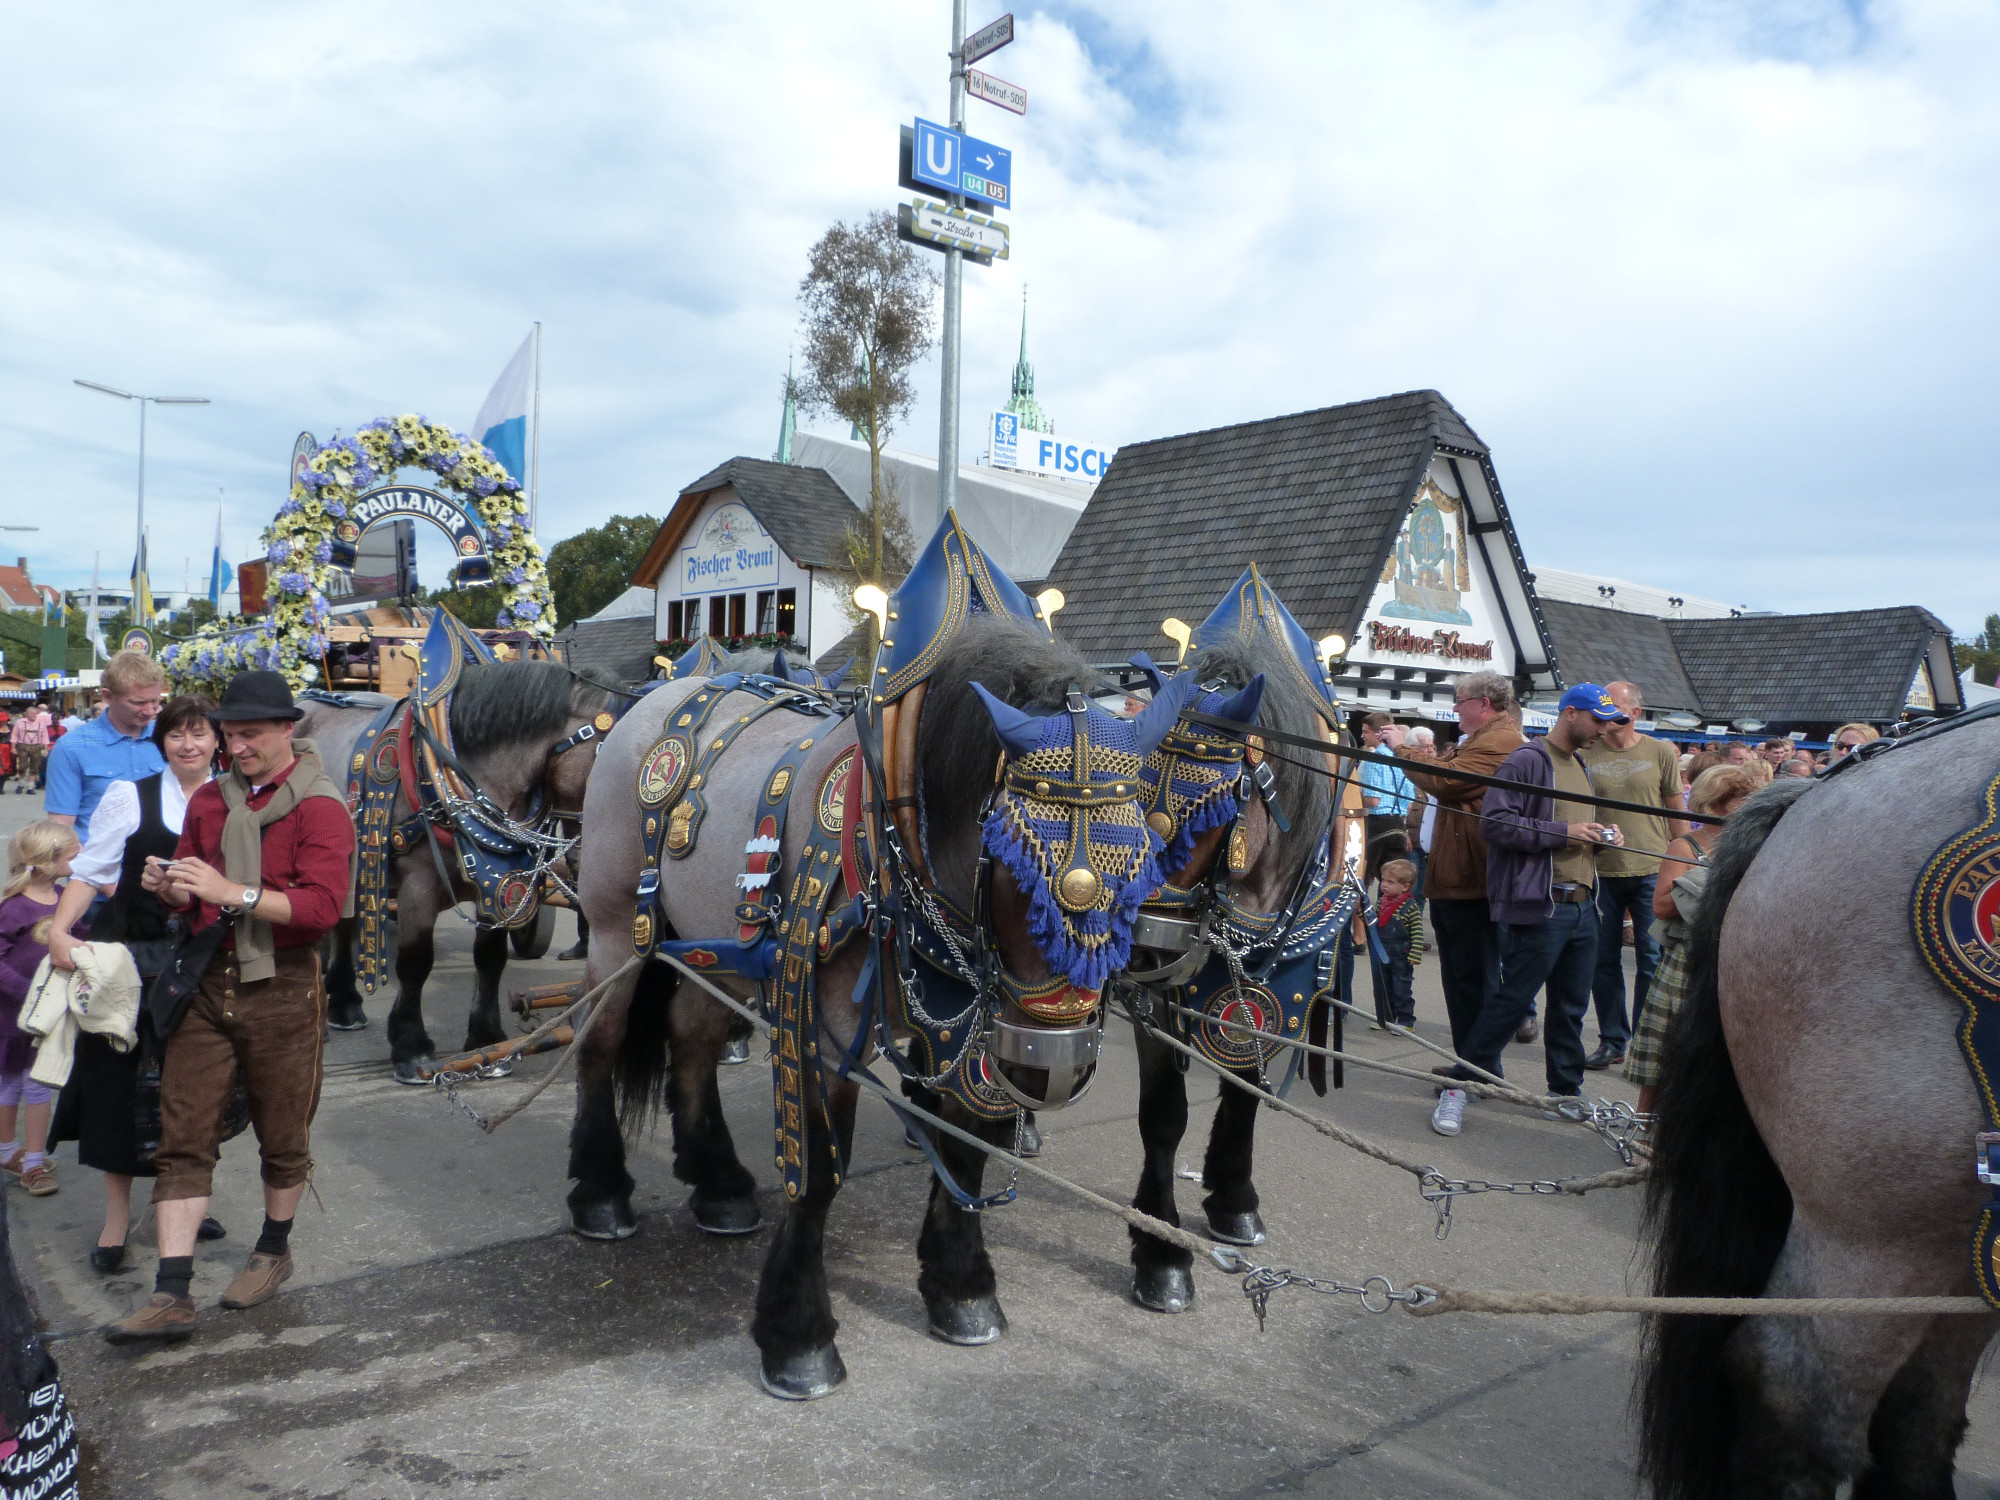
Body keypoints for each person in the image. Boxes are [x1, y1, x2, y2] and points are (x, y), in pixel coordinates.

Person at [105, 671, 355, 1345]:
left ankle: (273, 1249)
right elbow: (192, 885)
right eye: (230, 735)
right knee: (181, 1129)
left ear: (285, 731)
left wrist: (232, 890)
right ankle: (171, 1291)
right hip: (206, 977)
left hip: (282, 982)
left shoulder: (321, 808)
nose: (234, 748)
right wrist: (175, 888)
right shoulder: (212, 802)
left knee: (283, 1130)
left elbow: (321, 910)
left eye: (248, 736)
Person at [49, 696, 227, 1273]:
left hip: (198, 959)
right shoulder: (132, 794)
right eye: (176, 734)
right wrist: (57, 930)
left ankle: (188, 1198)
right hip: (130, 958)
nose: (188, 744)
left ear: (217, 742)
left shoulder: (235, 798)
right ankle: (117, 1218)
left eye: (199, 734)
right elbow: (93, 869)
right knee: (117, 1086)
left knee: (197, 1085)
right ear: (162, 741)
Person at [1434, 684, 1629, 1129]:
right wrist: (1566, 832)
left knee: (1571, 1007)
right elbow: (1496, 825)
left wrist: (1604, 836)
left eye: (1608, 721)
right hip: (1544, 903)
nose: (1603, 730)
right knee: (1512, 1001)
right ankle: (1461, 1088)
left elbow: (1576, 829)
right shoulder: (1527, 760)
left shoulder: (1580, 764)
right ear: (1570, 714)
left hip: (1583, 904)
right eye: (1597, 720)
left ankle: (1565, 1092)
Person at [1403, 672, 1526, 1134]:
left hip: (1473, 880)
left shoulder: (1500, 741)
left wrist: (1403, 749)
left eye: (1460, 701)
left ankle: (1478, 1069)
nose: (1455, 709)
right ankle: (1472, 1064)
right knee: (1462, 979)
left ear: (1486, 704)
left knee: (1474, 978)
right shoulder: (1479, 738)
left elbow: (1446, 782)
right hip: (1456, 876)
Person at [1624, 764, 1759, 1113]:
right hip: (1685, 961)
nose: (1749, 805)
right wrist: (1709, 884)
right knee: (1662, 1054)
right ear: (1715, 804)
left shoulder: (1753, 847)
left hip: (1730, 961)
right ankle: (1642, 1132)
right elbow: (1661, 906)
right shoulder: (1683, 848)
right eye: (1740, 799)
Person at [1577, 681, 1686, 1072]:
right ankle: (1612, 1040)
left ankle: (1645, 1040)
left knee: (1651, 958)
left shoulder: (1659, 751)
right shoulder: (1588, 750)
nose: (1608, 717)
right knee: (1601, 960)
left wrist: (1685, 862)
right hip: (1601, 870)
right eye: (1603, 709)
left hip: (1650, 868)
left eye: (1617, 709)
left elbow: (1675, 810)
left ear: (1636, 713)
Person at [0, 822, 79, 1197]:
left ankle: (27, 1157)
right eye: (70, 851)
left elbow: (82, 934)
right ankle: (18, 1157)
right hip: (12, 1016)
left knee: (36, 1082)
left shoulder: (67, 898)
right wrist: (25, 991)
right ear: (48, 862)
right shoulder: (13, 908)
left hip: (49, 1014)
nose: (78, 854)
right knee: (11, 1081)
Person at [46, 653, 167, 844]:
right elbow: (61, 828)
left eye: (155, 701)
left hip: (161, 866)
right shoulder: (71, 748)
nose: (150, 710)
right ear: (107, 696)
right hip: (97, 869)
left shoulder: (168, 738)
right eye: (138, 702)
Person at [1356, 713, 1414, 878]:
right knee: (1394, 879)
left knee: (1362, 877)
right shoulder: (1404, 759)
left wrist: (1356, 795)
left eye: (1365, 732)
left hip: (1377, 824)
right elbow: (1410, 804)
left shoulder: (1374, 759)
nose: (1362, 736)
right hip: (1399, 824)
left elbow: (1373, 801)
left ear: (1377, 733)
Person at [1373, 858, 1427, 1029]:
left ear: (1405, 886)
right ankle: (1387, 1017)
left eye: (1390, 882)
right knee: (1383, 987)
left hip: (1401, 955)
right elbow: (1373, 923)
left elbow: (1417, 932)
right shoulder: (1382, 902)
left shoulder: (1411, 906)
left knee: (1401, 988)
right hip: (1382, 951)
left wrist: (1415, 952)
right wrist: (1362, 913)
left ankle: (1405, 1020)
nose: (1384, 885)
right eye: (1383, 880)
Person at [9, 706, 50, 799]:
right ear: (27, 714)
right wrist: (13, 747)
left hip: (36, 746)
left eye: (35, 713)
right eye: (32, 713)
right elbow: (14, 735)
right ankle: (21, 784)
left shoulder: (41, 723)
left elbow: (45, 737)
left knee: (34, 767)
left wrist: (45, 749)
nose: (34, 715)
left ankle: (30, 787)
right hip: (23, 745)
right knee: (22, 766)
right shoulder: (20, 722)